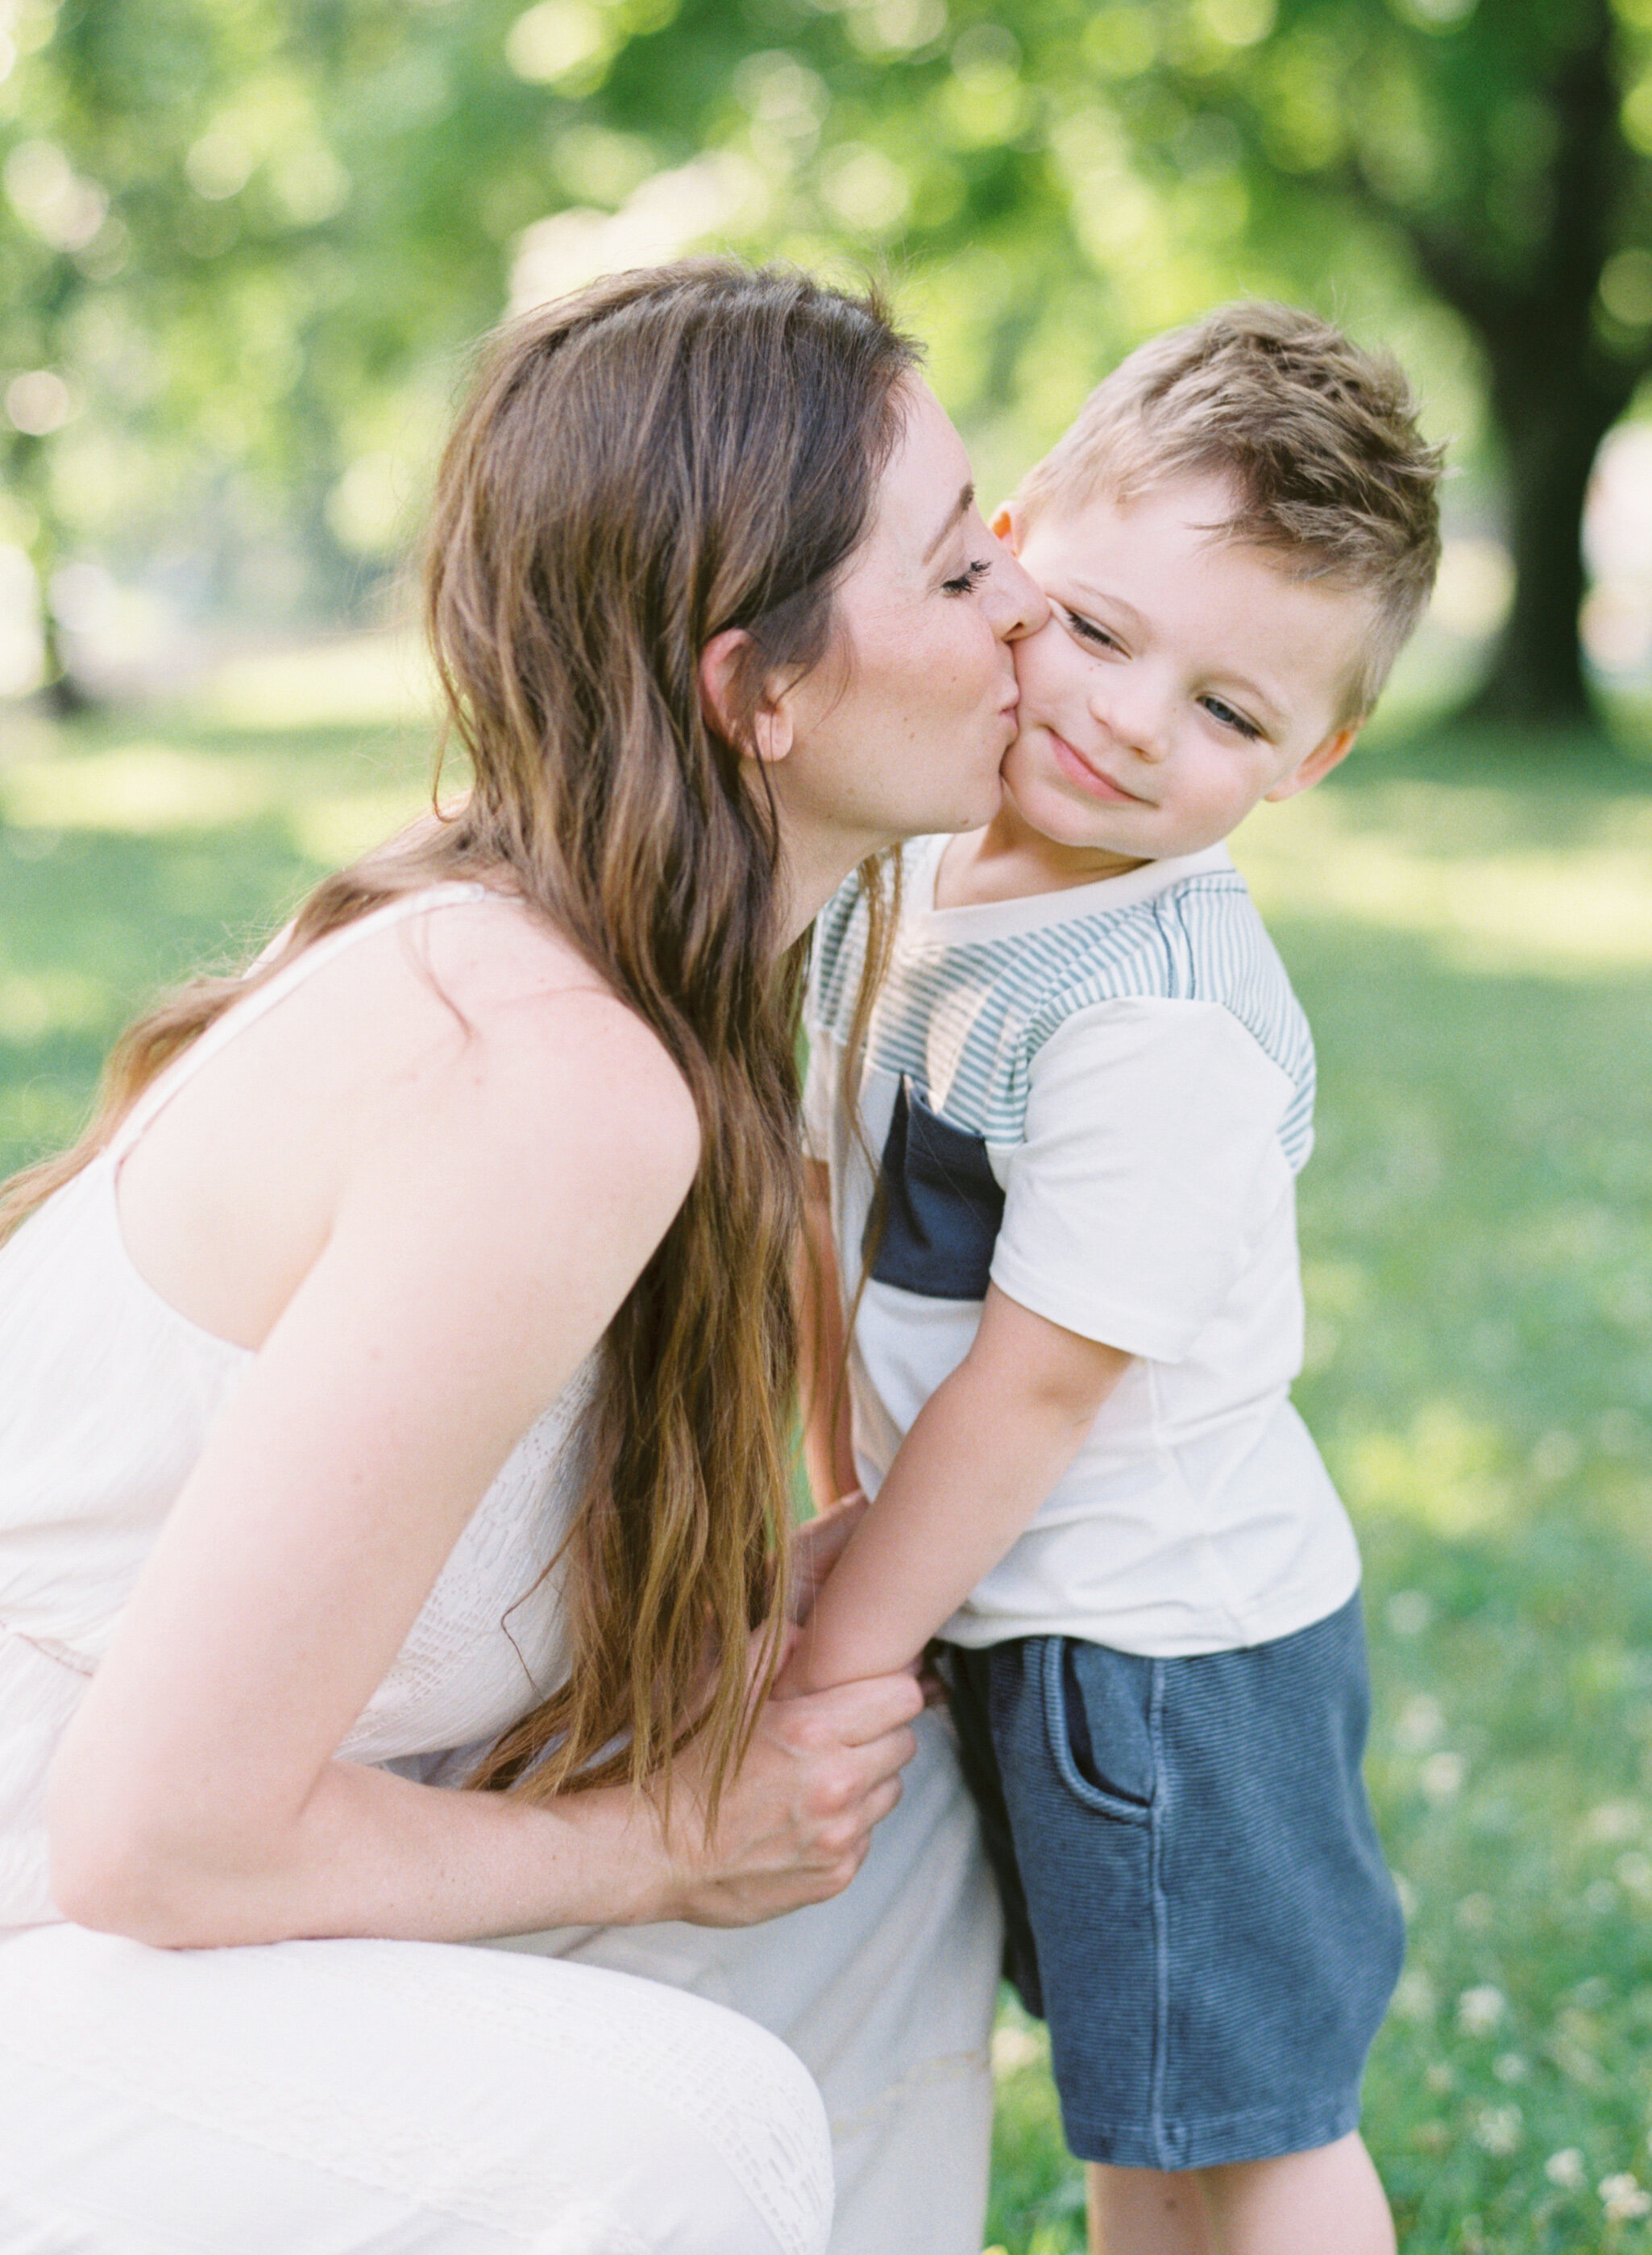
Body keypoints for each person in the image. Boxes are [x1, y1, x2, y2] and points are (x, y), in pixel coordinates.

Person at [0, 259, 1048, 2255]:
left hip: (137, 1925)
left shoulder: (670, 998)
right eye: (950, 576)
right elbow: (150, 1837)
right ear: (757, 690)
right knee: (674, 2129)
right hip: (57, 1935)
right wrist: (658, 1842)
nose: (1029, 608)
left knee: (875, 1797)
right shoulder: (542, 1070)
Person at [790, 303, 1445, 2255]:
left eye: (1231, 713)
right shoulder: (931, 857)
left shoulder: (1157, 1018)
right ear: (1007, 542)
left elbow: (1033, 1391)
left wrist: (843, 1640)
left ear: (1310, 755)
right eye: (1092, 628)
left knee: (1250, 2123)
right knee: (1138, 2104)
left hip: (1163, 1651)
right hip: (1034, 1617)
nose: (1133, 722)